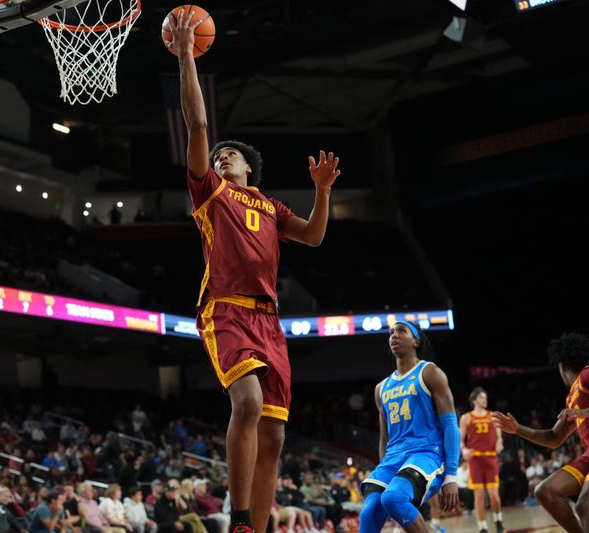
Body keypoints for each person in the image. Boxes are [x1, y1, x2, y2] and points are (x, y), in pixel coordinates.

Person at [166, 10, 341, 533]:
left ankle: (258, 528)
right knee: (246, 403)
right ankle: (239, 518)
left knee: (276, 438)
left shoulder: (270, 207)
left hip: (271, 322)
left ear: (248, 167)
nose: (221, 157)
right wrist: (184, 59)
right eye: (218, 156)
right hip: (226, 312)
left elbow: (313, 235)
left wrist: (324, 192)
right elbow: (197, 123)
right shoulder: (211, 194)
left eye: (231, 155)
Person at [493, 332, 589, 533]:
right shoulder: (571, 399)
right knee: (545, 491)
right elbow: (554, 438)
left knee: (585, 504)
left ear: (562, 367)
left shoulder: (588, 374)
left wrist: (587, 411)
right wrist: (518, 429)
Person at [358, 321, 460, 533]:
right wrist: (384, 467)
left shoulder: (430, 372)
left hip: (426, 454)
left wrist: (451, 476)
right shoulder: (381, 388)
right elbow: (384, 438)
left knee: (394, 497)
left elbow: (450, 425)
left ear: (416, 341)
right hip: (393, 457)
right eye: (391, 333)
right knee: (369, 513)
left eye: (401, 331)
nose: (394, 336)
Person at [459, 387, 504, 533]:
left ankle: (498, 519)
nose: (485, 400)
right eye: (482, 398)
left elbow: (499, 438)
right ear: (474, 400)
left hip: (490, 457)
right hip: (475, 459)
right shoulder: (466, 417)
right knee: (478, 495)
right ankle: (482, 527)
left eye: (485, 397)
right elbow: (460, 440)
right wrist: (464, 450)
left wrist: (499, 444)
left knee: (494, 495)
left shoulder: (492, 416)